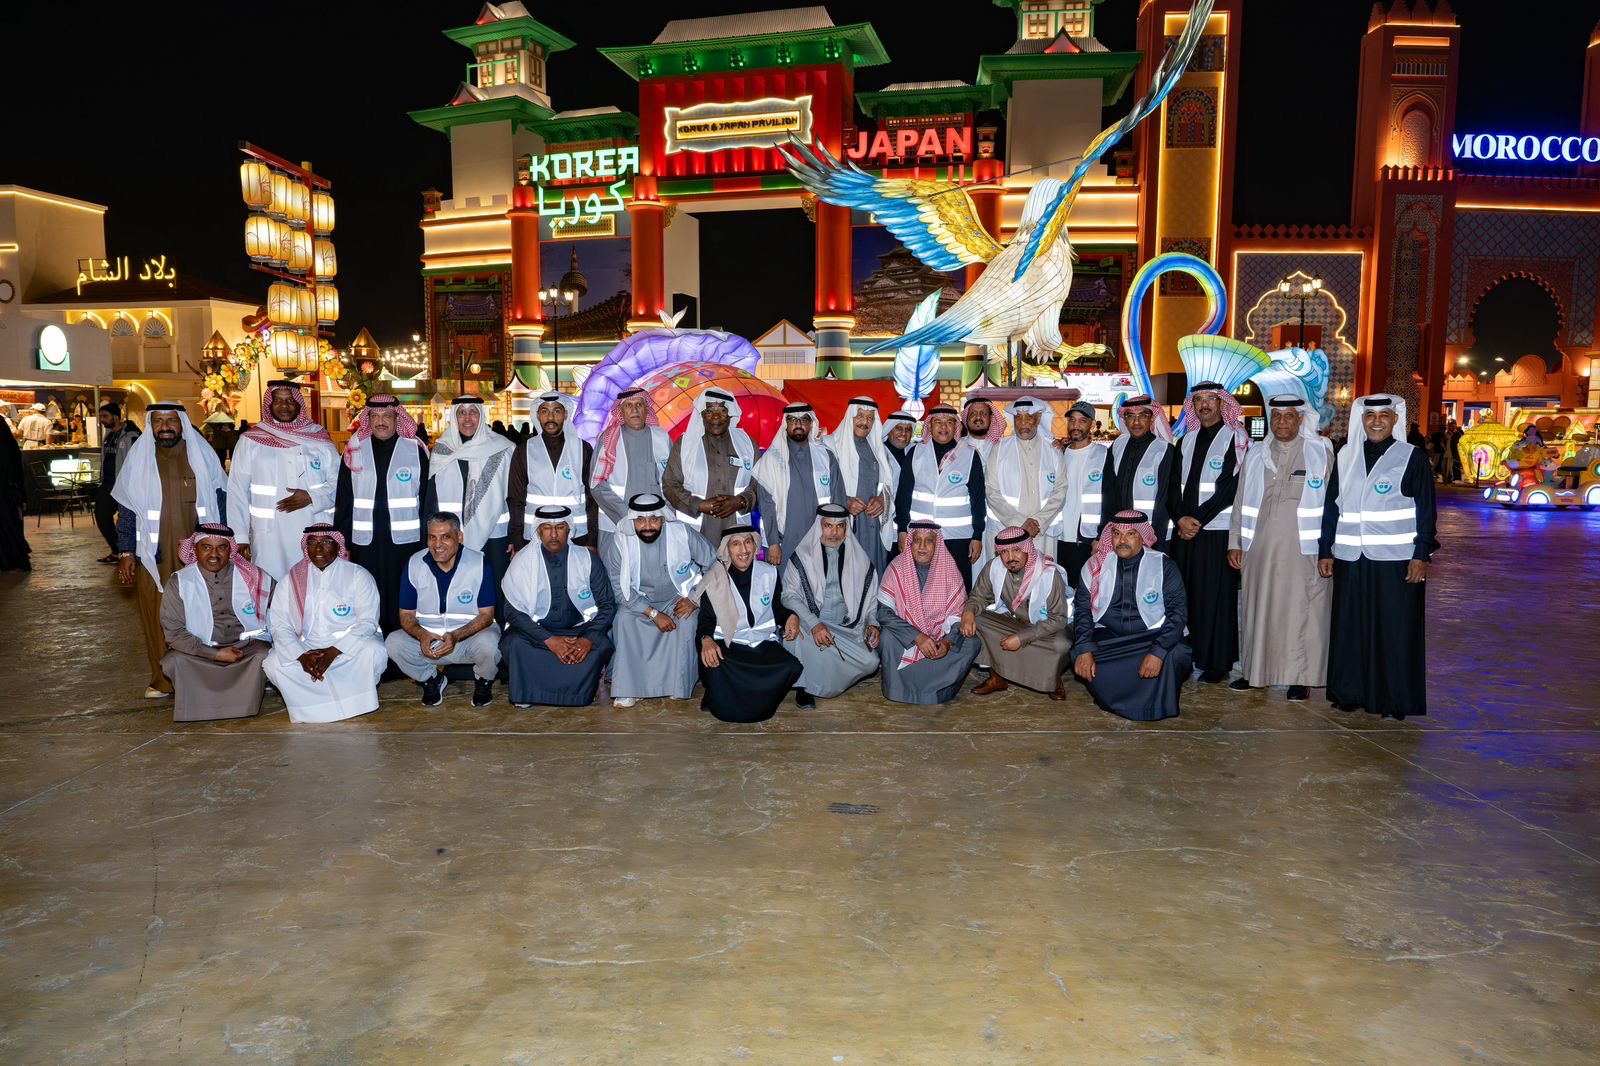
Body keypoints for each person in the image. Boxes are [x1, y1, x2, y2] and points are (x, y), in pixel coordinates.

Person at [1318, 393, 1438, 720]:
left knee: (1393, 631)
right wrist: (1325, 549)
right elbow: (1332, 507)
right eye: (1370, 416)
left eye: (1384, 415)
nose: (1376, 422)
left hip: (1395, 560)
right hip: (1350, 558)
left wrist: (1421, 554)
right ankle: (1349, 693)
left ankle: (1393, 700)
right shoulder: (1346, 456)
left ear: (1395, 420)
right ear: (1362, 420)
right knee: (1350, 627)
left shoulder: (1411, 457)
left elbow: (1426, 510)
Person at [114, 402, 229, 699]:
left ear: (182, 424)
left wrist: (228, 546)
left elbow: (222, 502)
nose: (165, 427)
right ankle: (162, 679)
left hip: (202, 556)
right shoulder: (139, 459)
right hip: (153, 555)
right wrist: (126, 552)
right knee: (156, 615)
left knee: (202, 613)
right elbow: (127, 510)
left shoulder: (202, 455)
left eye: (171, 421)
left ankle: (202, 678)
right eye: (158, 421)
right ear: (150, 425)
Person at [1227, 395, 1333, 701]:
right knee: (1258, 612)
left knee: (1302, 614)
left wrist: (1328, 550)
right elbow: (1239, 501)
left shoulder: (1321, 453)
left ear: (1301, 419)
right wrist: (1235, 542)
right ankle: (1255, 672)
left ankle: (1301, 677)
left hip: (1305, 552)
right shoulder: (1256, 454)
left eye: (1289, 416)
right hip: (1258, 550)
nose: (1282, 422)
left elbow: (1333, 505)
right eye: (1277, 416)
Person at [1071, 510, 1192, 722]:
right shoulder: (1094, 566)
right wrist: (1084, 648)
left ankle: (1153, 705)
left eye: (1130, 534)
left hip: (1150, 635)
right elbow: (1082, 610)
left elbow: (1177, 613)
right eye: (1117, 534)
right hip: (1109, 635)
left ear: (1142, 537)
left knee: (1177, 653)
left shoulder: (1163, 565)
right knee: (1079, 653)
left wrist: (1158, 651)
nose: (1122, 540)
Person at [262, 525, 386, 723]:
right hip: (307, 648)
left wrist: (334, 651)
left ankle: (356, 702)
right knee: (272, 662)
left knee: (374, 650)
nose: (318, 548)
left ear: (338, 546)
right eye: (312, 543)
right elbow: (279, 625)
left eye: (326, 542)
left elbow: (368, 622)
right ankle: (310, 708)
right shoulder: (291, 580)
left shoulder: (357, 575)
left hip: (347, 648)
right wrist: (301, 656)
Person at [602, 493, 715, 707]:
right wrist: (653, 613)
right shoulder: (620, 540)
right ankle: (629, 689)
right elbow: (617, 587)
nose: (647, 526)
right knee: (623, 620)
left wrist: (694, 598)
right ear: (633, 520)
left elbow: (714, 564)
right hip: (638, 601)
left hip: (678, 598)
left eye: (654, 519)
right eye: (641, 520)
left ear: (663, 518)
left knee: (687, 621)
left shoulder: (682, 533)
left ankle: (677, 686)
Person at [1171, 381, 1250, 684]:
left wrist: (1196, 519)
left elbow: (1231, 487)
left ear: (1222, 404)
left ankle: (1217, 662)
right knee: (1187, 595)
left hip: (1216, 531)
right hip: (1185, 531)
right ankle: (1189, 655)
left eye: (1210, 399)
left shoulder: (1235, 438)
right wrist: (1180, 517)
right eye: (1199, 400)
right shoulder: (1186, 440)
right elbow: (1173, 485)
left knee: (1215, 598)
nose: (1204, 405)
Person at [501, 504, 616, 708]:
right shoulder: (522, 562)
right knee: (514, 643)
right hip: (538, 633)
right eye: (547, 527)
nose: (553, 534)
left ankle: (574, 694)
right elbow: (511, 612)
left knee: (601, 644)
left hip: (579, 631)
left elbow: (607, 604)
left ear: (569, 529)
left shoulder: (588, 559)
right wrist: (550, 641)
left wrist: (587, 638)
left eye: (560, 527)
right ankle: (529, 693)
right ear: (538, 531)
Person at [158, 524, 274, 722]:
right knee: (174, 661)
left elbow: (281, 611)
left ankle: (243, 706)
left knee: (265, 656)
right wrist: (215, 654)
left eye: (222, 547)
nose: (214, 554)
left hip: (245, 649)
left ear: (231, 550)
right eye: (206, 547)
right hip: (200, 651)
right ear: (195, 549)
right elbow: (174, 633)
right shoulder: (180, 582)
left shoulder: (254, 577)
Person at [333, 396, 429, 635]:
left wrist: (426, 542)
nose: (380, 422)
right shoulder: (355, 450)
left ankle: (401, 642)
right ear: (368, 420)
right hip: (365, 544)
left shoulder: (415, 450)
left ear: (397, 418)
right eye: (374, 416)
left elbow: (426, 499)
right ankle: (372, 641)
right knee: (368, 593)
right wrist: (342, 542)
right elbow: (344, 499)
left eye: (386, 416)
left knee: (403, 593)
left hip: (406, 543)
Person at [228, 381, 340, 582]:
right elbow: (237, 490)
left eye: (289, 400)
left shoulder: (319, 438)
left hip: (314, 529)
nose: (284, 406)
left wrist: (312, 497)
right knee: (272, 586)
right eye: (277, 400)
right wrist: (240, 537)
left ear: (298, 404)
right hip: (269, 536)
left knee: (314, 586)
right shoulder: (251, 440)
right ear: (269, 405)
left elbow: (339, 483)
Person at [387, 511, 500, 708]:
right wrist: (422, 635)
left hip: (467, 639)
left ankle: (484, 681)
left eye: (445, 536)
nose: (437, 544)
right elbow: (405, 615)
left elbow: (487, 615)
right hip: (429, 641)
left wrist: (456, 636)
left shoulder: (479, 563)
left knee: (490, 642)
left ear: (459, 537)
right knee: (393, 642)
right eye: (432, 537)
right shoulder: (414, 563)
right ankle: (431, 680)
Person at [696, 524, 804, 722]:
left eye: (748, 542)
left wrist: (791, 616)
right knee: (713, 663)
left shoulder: (769, 573)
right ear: (727, 549)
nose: (743, 550)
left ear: (755, 546)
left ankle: (758, 703)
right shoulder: (714, 578)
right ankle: (715, 694)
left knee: (791, 666)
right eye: (736, 544)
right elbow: (706, 619)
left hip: (762, 643)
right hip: (729, 645)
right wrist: (706, 639)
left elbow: (777, 608)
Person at [781, 503, 882, 707]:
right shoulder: (802, 556)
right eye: (828, 526)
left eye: (840, 526)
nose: (834, 533)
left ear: (846, 528)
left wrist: (872, 623)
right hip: (812, 627)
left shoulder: (860, 560)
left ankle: (824, 674)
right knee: (793, 632)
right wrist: (814, 623)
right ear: (819, 526)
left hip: (847, 629)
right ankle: (803, 687)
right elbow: (788, 596)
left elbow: (871, 601)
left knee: (871, 662)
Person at [961, 526, 1073, 699]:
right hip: (1013, 621)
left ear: (1027, 549)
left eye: (1016, 550)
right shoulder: (994, 567)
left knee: (1061, 644)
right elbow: (978, 597)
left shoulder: (1049, 574)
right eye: (1004, 552)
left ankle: (1052, 680)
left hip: (1046, 627)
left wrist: (1022, 638)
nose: (1010, 557)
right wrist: (968, 613)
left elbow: (1058, 619)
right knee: (976, 619)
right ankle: (997, 677)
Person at [876, 521, 981, 705]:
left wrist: (947, 642)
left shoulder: (949, 570)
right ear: (910, 543)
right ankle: (899, 690)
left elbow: (958, 614)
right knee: (886, 637)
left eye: (929, 541)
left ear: (937, 544)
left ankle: (937, 691)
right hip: (907, 637)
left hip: (940, 637)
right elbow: (884, 613)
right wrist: (917, 637)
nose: (922, 546)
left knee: (972, 642)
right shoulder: (897, 568)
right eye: (917, 540)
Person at [426, 395, 515, 603]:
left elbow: (515, 494)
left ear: (481, 416)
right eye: (462, 413)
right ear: (454, 417)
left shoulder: (503, 448)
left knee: (494, 584)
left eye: (473, 412)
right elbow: (431, 498)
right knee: (460, 587)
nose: (467, 419)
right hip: (451, 536)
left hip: (495, 535)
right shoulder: (442, 449)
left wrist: (515, 535)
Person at [894, 405, 986, 589]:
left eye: (949, 422)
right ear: (929, 425)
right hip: (921, 537)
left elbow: (978, 500)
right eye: (938, 422)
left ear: (956, 426)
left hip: (959, 538)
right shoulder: (916, 453)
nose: (943, 427)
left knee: (956, 587)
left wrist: (977, 535)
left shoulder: (969, 455)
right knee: (920, 586)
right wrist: (902, 530)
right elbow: (903, 496)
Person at [754, 403, 844, 571]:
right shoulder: (772, 459)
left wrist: (836, 536)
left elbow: (838, 499)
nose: (798, 424)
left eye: (804, 420)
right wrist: (773, 542)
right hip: (785, 538)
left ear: (811, 424)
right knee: (786, 582)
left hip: (821, 536)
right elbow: (766, 506)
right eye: (792, 420)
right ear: (785, 424)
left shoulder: (826, 456)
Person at [663, 388, 757, 542]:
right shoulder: (685, 445)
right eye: (709, 411)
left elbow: (759, 483)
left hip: (738, 531)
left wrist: (741, 501)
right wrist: (699, 505)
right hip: (695, 532)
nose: (715, 416)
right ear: (701, 415)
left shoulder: (747, 443)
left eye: (722, 411)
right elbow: (670, 483)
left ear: (730, 414)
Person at [509, 391, 597, 551]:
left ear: (565, 414)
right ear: (537, 415)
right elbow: (516, 499)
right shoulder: (524, 450)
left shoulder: (582, 449)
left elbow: (592, 497)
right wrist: (517, 540)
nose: (550, 417)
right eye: (545, 411)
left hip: (577, 535)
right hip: (535, 535)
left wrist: (592, 540)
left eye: (557, 411)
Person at [987, 396, 1068, 559]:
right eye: (1018, 417)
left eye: (1029, 417)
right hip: (1007, 530)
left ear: (1038, 418)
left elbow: (1061, 490)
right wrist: (1019, 523)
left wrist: (1038, 522)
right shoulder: (999, 449)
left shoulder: (1053, 451)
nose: (1023, 423)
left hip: (1043, 532)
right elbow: (991, 491)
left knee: (1042, 573)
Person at [590, 388, 672, 540]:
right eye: (628, 405)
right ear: (621, 411)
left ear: (646, 409)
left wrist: (665, 513)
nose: (634, 410)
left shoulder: (662, 437)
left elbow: (673, 482)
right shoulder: (608, 439)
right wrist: (629, 516)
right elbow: (597, 485)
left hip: (656, 522)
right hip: (617, 520)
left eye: (639, 404)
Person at [827, 397, 895, 575]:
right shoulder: (830, 446)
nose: (865, 422)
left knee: (873, 575)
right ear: (850, 417)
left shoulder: (879, 450)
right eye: (860, 416)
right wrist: (844, 502)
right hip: (843, 524)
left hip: (873, 527)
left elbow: (888, 485)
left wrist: (883, 500)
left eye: (870, 418)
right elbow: (821, 487)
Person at [1102, 394, 1177, 547]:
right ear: (1124, 419)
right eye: (1130, 416)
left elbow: (1166, 498)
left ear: (1152, 418)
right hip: (1120, 532)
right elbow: (1108, 491)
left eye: (1143, 415)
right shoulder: (1117, 446)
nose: (1136, 422)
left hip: (1153, 534)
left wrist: (1153, 538)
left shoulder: (1164, 450)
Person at [1053, 400, 1108, 589]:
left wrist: (1101, 536)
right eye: (1072, 420)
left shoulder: (1103, 455)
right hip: (1058, 537)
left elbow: (1110, 499)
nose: (1076, 426)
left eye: (1082, 421)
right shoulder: (1058, 454)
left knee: (1085, 589)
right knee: (1060, 589)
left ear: (1091, 424)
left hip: (1087, 539)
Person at [94, 403, 140, 563]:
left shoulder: (131, 435)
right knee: (101, 516)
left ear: (115, 416)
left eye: (105, 416)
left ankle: (127, 552)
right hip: (108, 484)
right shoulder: (108, 435)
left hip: (124, 485)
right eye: (101, 416)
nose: (102, 420)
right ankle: (117, 551)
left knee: (126, 520)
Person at [0, 417, 28, 572]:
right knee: (11, 527)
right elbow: (18, 472)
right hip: (10, 492)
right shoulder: (10, 447)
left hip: (5, 493)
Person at [960, 396, 1004, 463]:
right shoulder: (957, 448)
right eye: (973, 413)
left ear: (991, 419)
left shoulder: (1002, 448)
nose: (978, 417)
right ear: (966, 418)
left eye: (984, 413)